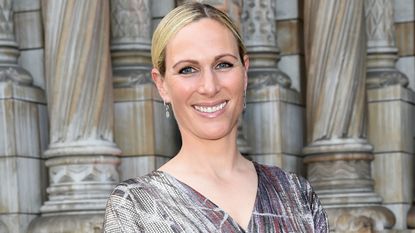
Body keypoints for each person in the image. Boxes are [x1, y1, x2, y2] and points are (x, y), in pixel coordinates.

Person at [103, 3, 329, 233]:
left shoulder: (297, 194)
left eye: (223, 65)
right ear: (161, 84)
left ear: (245, 72)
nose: (209, 87)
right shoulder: (134, 208)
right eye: (188, 69)